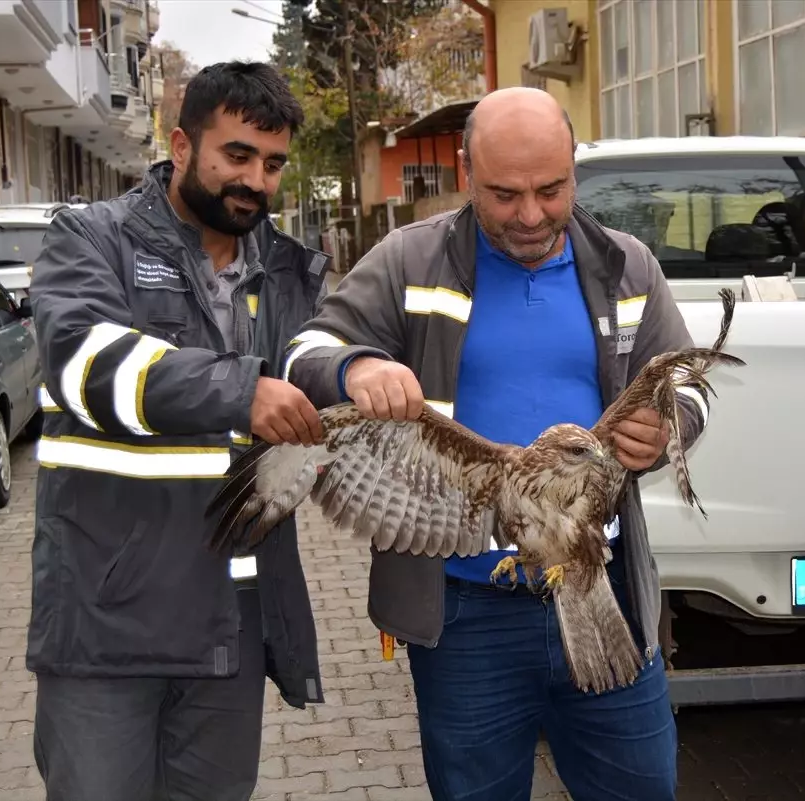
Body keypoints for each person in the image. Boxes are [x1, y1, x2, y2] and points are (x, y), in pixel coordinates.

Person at [282, 86, 704, 801]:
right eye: (505, 194)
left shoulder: (628, 266)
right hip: (466, 613)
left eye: (551, 189)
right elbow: (302, 354)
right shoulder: (408, 260)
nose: (531, 214)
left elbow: (688, 385)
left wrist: (669, 427)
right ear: (465, 172)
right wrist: (356, 365)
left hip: (602, 589)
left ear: (574, 169)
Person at [25, 61, 329, 800]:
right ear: (182, 145)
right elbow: (86, 363)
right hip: (108, 627)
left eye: (273, 163)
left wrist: (359, 371)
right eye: (237, 155)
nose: (256, 180)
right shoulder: (92, 239)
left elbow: (319, 362)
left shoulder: (288, 271)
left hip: (230, 625)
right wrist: (239, 389)